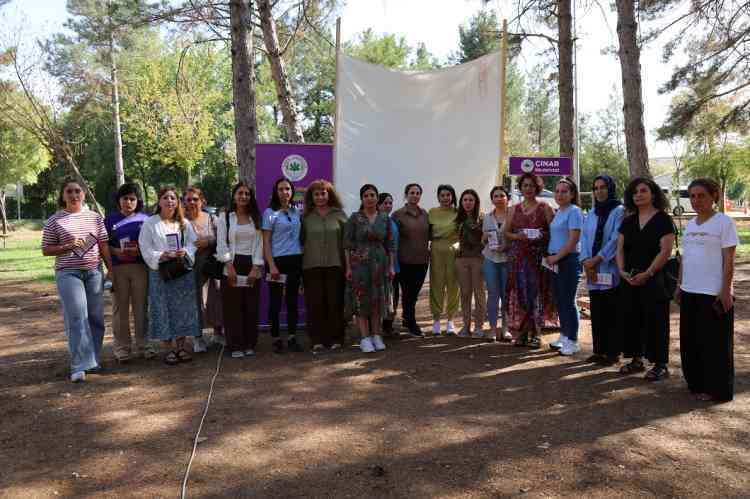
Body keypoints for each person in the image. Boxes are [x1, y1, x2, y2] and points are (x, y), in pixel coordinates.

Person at [42, 178, 113, 382]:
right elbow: (46, 249)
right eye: (69, 191)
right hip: (68, 273)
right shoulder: (54, 220)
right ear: (63, 196)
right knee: (77, 317)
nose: (74, 195)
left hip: (94, 272)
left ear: (83, 194)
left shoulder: (95, 218)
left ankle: (93, 360)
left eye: (77, 191)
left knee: (96, 318)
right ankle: (79, 365)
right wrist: (67, 246)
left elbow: (103, 244)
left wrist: (111, 270)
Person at [675, 178, 737, 401]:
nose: (696, 200)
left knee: (715, 345)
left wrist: (725, 290)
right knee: (691, 341)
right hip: (689, 291)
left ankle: (717, 389)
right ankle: (696, 384)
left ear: (714, 197)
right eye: (692, 196)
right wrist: (679, 285)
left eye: (701, 195)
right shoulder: (690, 224)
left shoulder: (724, 223)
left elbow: (729, 261)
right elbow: (685, 258)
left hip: (713, 293)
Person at [616, 177, 676, 380]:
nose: (638, 195)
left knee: (656, 321)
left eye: (643, 191)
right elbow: (620, 249)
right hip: (630, 278)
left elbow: (665, 251)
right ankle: (636, 359)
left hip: (654, 278)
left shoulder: (663, 220)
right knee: (632, 318)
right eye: (635, 192)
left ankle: (660, 364)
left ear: (653, 194)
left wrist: (648, 273)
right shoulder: (628, 221)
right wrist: (621, 270)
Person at [138, 186, 201, 365]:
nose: (169, 201)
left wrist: (185, 251)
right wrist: (161, 255)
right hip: (161, 273)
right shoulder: (150, 223)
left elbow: (193, 244)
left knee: (182, 309)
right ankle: (168, 349)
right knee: (163, 308)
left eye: (173, 198)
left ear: (177, 202)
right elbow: (144, 247)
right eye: (165, 197)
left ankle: (181, 347)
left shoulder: (184, 223)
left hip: (182, 273)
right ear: (159, 201)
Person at [504, 173, 555, 349]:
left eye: (531, 185)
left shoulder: (545, 207)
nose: (528, 189)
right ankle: (522, 332)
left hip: (538, 258)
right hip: (518, 258)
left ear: (537, 188)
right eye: (525, 185)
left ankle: (536, 334)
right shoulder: (513, 209)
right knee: (520, 294)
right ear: (520, 188)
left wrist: (541, 235)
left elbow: (553, 232)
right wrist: (517, 236)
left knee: (536, 294)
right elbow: (506, 232)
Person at [344, 184, 396, 353]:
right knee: (361, 300)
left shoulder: (384, 218)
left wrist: (391, 266)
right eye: (366, 195)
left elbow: (391, 245)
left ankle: (376, 335)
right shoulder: (354, 218)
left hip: (380, 264)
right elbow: (347, 245)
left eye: (372, 195)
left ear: (377, 197)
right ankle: (365, 338)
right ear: (362, 199)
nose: (369, 198)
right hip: (359, 266)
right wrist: (348, 268)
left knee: (377, 300)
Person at [215, 181, 264, 358]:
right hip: (231, 265)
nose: (243, 196)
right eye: (240, 193)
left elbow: (260, 244)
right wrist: (229, 266)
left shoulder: (256, 218)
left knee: (250, 307)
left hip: (252, 265)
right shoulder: (225, 217)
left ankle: (249, 344)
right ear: (234, 196)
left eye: (247, 194)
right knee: (232, 307)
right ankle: (235, 345)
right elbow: (221, 243)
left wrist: (255, 268)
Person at [104, 183, 152, 363]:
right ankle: (122, 348)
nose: (128, 202)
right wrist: (115, 251)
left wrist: (140, 250)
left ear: (138, 201)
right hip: (118, 269)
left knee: (141, 308)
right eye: (125, 198)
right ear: (119, 200)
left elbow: (152, 243)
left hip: (141, 268)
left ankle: (144, 345)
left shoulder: (146, 219)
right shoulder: (109, 220)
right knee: (120, 309)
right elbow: (103, 244)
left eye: (132, 199)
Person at [579, 175, 625, 365]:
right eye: (596, 188)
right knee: (597, 311)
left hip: (609, 268)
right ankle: (599, 350)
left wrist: (597, 259)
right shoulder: (591, 213)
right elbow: (584, 238)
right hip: (592, 270)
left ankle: (612, 352)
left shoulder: (619, 211)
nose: (599, 191)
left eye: (603, 187)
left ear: (610, 188)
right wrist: (586, 261)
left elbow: (616, 239)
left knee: (611, 311)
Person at [301, 179, 348, 352]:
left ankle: (336, 338)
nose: (320, 197)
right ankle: (317, 340)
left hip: (335, 265)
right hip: (311, 266)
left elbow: (347, 242)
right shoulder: (305, 217)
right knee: (315, 304)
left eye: (323, 193)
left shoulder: (340, 215)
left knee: (335, 302)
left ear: (329, 195)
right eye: (316, 194)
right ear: (311, 197)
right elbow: (301, 242)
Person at [262, 178, 304, 353]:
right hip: (277, 262)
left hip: (295, 260)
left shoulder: (296, 211)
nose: (284, 192)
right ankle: (276, 338)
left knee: (292, 301)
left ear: (292, 192)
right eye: (281, 189)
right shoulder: (269, 213)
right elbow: (266, 242)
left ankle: (292, 337)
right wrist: (271, 265)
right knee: (276, 302)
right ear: (275, 192)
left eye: (287, 189)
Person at [545, 178, 584, 356]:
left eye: (564, 191)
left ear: (572, 194)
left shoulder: (574, 211)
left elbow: (573, 240)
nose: (560, 195)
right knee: (560, 300)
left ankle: (573, 341)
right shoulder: (559, 211)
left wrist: (557, 257)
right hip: (555, 260)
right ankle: (564, 335)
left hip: (568, 260)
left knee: (568, 301)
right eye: (557, 191)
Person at [184, 186, 224, 352]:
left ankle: (218, 334)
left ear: (202, 201)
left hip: (211, 265)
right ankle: (198, 338)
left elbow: (222, 238)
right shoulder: (181, 221)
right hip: (191, 268)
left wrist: (208, 241)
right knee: (195, 302)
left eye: (195, 199)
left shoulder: (212, 219)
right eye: (188, 199)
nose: (192, 202)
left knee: (216, 299)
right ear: (184, 202)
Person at [392, 183, 430, 337]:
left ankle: (407, 318)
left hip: (422, 261)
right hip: (404, 260)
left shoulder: (425, 214)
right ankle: (410, 322)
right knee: (407, 293)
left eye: (417, 193)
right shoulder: (397, 215)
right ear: (406, 195)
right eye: (412, 192)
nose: (415, 195)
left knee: (414, 294)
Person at [454, 189, 486, 338]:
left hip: (478, 259)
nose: (468, 203)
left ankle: (479, 327)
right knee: (465, 293)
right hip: (461, 259)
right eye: (465, 200)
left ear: (476, 202)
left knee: (479, 293)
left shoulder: (482, 218)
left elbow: (486, 239)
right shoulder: (457, 218)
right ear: (461, 202)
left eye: (471, 200)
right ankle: (466, 326)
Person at [482, 186, 512, 342]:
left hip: (508, 259)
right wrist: (485, 236)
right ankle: (493, 329)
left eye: (502, 195)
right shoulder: (487, 217)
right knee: (493, 294)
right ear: (492, 199)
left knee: (507, 295)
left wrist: (507, 246)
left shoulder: (513, 216)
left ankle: (506, 328)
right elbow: (483, 239)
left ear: (508, 198)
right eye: (495, 196)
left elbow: (517, 236)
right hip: (490, 259)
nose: (499, 199)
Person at [429, 184, 460, 336]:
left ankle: (451, 321)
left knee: (454, 285)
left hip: (454, 250)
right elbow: (427, 233)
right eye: (442, 195)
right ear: (438, 197)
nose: (445, 198)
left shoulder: (459, 212)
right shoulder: (432, 212)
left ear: (452, 196)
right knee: (436, 283)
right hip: (436, 250)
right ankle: (436, 320)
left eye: (448, 195)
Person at [377, 193, 401, 338]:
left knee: (393, 298)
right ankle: (374, 329)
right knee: (378, 297)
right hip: (379, 266)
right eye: (385, 203)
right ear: (378, 204)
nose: (388, 206)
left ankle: (388, 327)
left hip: (394, 266)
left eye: (390, 203)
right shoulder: (375, 221)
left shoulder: (392, 221)